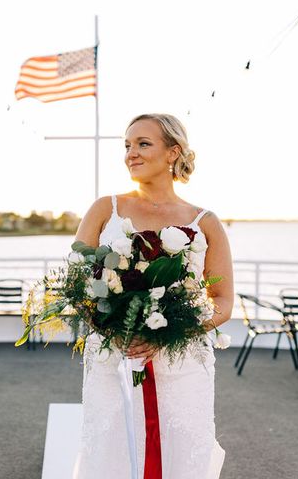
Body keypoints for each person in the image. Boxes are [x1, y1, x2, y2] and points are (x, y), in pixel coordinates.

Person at [72, 113, 234, 479]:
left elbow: (222, 299)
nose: (131, 153)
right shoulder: (104, 209)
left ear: (173, 152)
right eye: (127, 145)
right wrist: (113, 329)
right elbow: (77, 284)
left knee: (182, 452)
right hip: (114, 356)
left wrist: (171, 333)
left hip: (182, 364)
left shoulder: (204, 221)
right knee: (111, 450)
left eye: (143, 144)